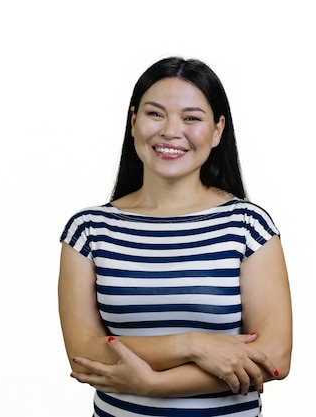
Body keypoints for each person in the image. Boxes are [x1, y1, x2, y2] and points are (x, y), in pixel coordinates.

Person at [58, 56, 292, 416]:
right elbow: (84, 352)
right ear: (133, 122)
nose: (170, 131)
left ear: (217, 131)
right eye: (155, 114)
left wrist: (154, 384)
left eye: (191, 118)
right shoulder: (88, 231)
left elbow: (274, 357)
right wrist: (193, 345)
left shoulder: (247, 226)